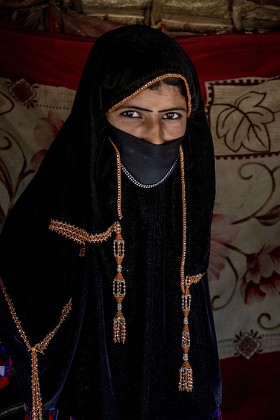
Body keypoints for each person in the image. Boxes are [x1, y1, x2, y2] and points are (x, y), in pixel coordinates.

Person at [0, 24, 222, 420]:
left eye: (172, 115)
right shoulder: (61, 202)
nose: (155, 136)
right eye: (132, 113)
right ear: (99, 115)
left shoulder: (188, 192)